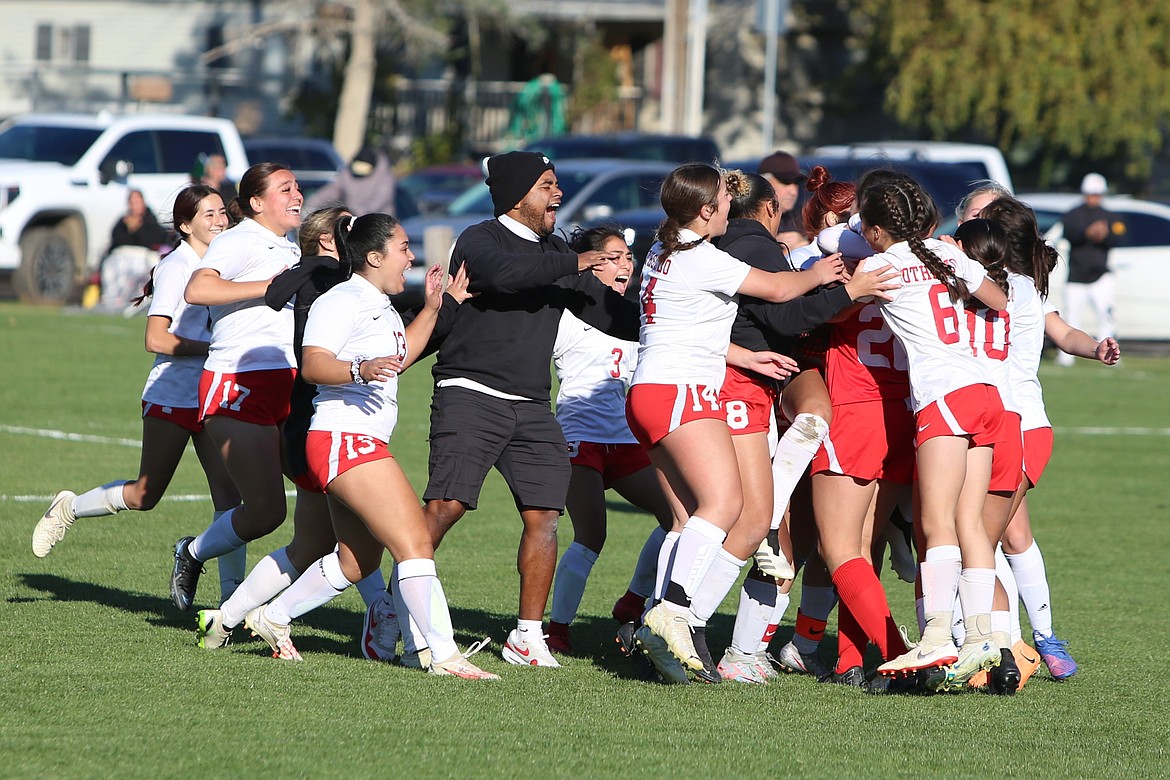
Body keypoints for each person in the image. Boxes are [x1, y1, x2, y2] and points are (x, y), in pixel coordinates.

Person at [625, 162, 858, 684]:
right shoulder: (700, 254)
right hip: (680, 391)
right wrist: (825, 275)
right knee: (728, 505)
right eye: (725, 203)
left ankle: (657, 623)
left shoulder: (662, 252)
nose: (732, 209)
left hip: (648, 389)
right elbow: (776, 291)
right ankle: (673, 614)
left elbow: (683, 327)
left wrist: (747, 359)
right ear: (705, 210)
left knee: (688, 521)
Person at [233, 214, 494, 677]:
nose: (411, 257)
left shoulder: (380, 303)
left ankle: (272, 617)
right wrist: (358, 369)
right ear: (374, 257)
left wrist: (435, 307)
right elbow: (313, 365)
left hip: (354, 440)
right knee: (414, 543)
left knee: (356, 561)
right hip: (343, 438)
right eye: (403, 248)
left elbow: (398, 358)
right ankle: (444, 656)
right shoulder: (342, 299)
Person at [419, 150, 641, 669]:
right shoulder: (482, 238)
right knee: (445, 509)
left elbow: (612, 314)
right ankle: (397, 610)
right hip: (470, 392)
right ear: (519, 195)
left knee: (544, 515)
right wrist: (580, 260)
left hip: (532, 406)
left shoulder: (556, 255)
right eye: (547, 185)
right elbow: (504, 275)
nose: (557, 193)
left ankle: (527, 636)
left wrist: (685, 318)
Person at [708, 169, 898, 684]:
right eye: (844, 217)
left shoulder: (852, 261)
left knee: (822, 539)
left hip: (841, 404)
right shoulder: (805, 259)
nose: (856, 228)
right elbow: (787, 319)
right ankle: (746, 646)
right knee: (799, 536)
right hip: (819, 399)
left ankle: (807, 643)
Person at [33, 185, 246, 601]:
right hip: (173, 392)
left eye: (222, 212)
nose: (220, 221)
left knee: (230, 498)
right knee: (146, 495)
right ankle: (68, 508)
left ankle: (231, 602)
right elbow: (155, 339)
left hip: (213, 393)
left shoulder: (226, 261)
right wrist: (213, 348)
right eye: (209, 215)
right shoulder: (176, 267)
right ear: (185, 226)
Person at [194, 206, 391, 651]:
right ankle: (382, 617)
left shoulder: (332, 281)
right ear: (328, 241)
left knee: (314, 544)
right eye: (349, 228)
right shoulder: (324, 278)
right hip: (319, 424)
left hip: (313, 422)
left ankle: (224, 620)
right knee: (363, 536)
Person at [856, 172, 1010, 690]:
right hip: (985, 393)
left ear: (877, 229)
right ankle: (983, 637)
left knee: (936, 522)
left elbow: (840, 299)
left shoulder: (880, 264)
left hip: (942, 395)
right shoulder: (946, 253)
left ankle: (939, 632)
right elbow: (997, 300)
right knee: (970, 521)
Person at [170, 163, 302, 618]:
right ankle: (192, 551)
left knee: (328, 495)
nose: (297, 194)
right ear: (257, 203)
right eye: (285, 189)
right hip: (238, 382)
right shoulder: (238, 239)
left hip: (290, 381)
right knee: (266, 512)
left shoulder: (289, 244)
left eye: (297, 187)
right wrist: (271, 287)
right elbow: (198, 287)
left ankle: (379, 611)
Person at [546, 226, 677, 655]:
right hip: (579, 438)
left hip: (626, 442)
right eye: (613, 256)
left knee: (680, 517)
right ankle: (557, 630)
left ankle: (633, 601)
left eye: (628, 256)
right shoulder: (566, 313)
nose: (626, 264)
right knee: (591, 535)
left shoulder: (638, 314)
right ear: (588, 263)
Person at [1057, 173, 1123, 366]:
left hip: (1100, 274)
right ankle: (1066, 358)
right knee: (1071, 319)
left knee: (1106, 317)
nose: (1094, 198)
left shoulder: (1110, 216)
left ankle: (1112, 355)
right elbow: (1069, 233)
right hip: (1076, 275)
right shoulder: (1073, 214)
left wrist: (1105, 234)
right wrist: (1088, 232)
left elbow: (1119, 236)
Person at [306, 146, 397, 216]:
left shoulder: (384, 178)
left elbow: (377, 202)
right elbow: (332, 190)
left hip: (378, 221)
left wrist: (357, 212)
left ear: (372, 169)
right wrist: (310, 205)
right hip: (351, 217)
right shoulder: (347, 173)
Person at [758, 151, 809, 250]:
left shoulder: (801, 219)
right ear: (764, 182)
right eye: (785, 182)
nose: (793, 191)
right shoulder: (746, 219)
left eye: (796, 183)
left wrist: (805, 244)